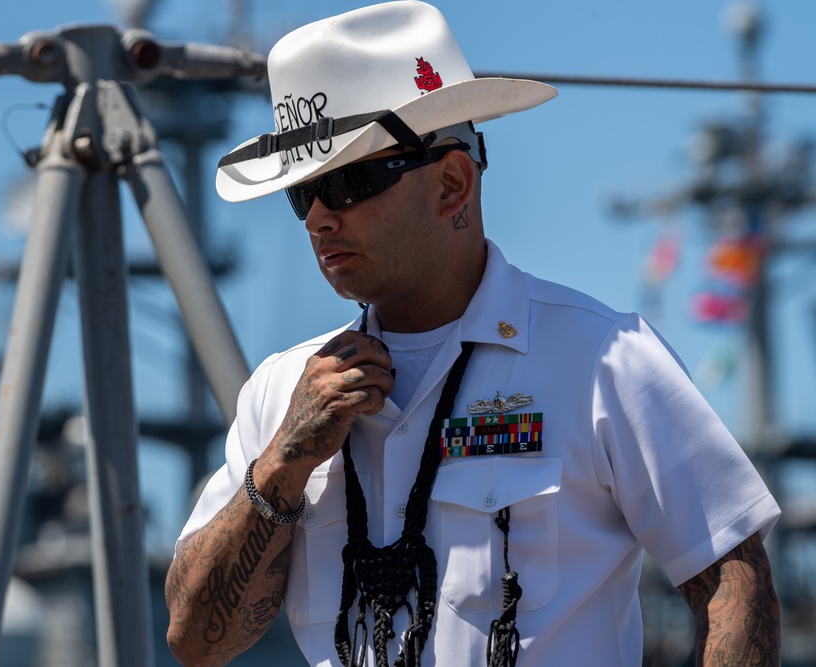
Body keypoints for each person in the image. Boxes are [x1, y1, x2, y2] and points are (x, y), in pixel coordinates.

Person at [165, 2, 782, 666]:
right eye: (302, 194)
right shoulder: (281, 392)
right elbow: (197, 640)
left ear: (453, 183)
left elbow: (734, 585)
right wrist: (283, 461)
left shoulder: (605, 360)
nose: (318, 219)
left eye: (348, 182)